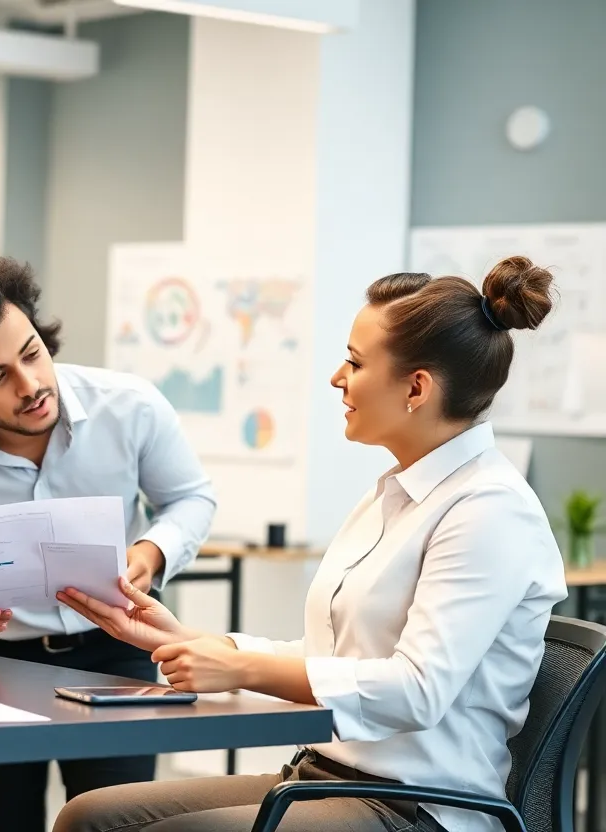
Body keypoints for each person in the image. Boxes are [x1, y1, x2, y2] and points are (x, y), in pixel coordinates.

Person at [52, 257, 568, 832]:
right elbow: (332, 656)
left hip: (417, 807)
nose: (337, 378)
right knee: (88, 816)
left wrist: (240, 668)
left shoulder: (490, 509)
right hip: (322, 778)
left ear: (416, 388)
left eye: (354, 361)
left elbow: (416, 690)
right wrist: (188, 639)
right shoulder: (394, 494)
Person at [0, 257, 218, 831]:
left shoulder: (130, 406)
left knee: (120, 820)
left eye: (32, 353)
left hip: (114, 647)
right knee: (0, 822)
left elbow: (191, 499)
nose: (31, 385)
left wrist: (152, 552)